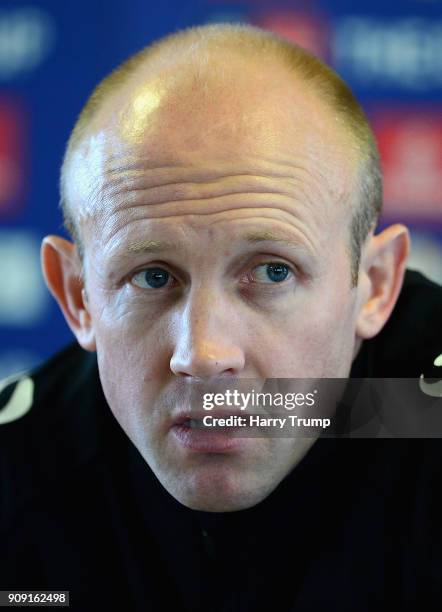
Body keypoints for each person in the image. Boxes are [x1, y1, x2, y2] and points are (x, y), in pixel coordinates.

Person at [1, 23, 441, 611]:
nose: (204, 355)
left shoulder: (419, 414)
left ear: (375, 287)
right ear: (78, 297)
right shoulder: (20, 474)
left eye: (272, 272)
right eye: (153, 277)